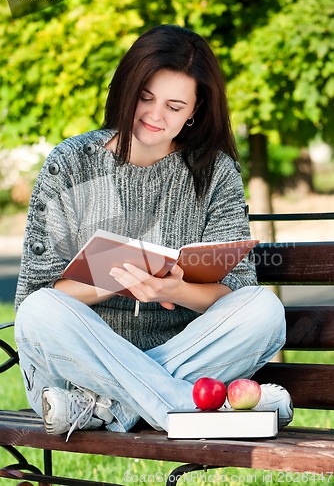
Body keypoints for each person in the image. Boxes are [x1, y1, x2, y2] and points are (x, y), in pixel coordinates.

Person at [14, 24, 293, 441]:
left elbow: (234, 294)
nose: (154, 116)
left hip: (138, 372)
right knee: (40, 312)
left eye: (175, 106)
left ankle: (109, 408)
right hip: (77, 367)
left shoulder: (215, 173)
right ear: (127, 87)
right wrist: (112, 280)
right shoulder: (69, 163)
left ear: (194, 112)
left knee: (264, 311)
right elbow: (36, 298)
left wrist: (171, 291)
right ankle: (184, 407)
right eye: (145, 97)